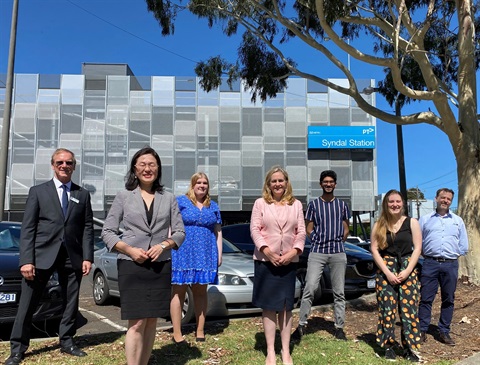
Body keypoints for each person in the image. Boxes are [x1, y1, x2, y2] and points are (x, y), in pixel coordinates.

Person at [5, 148, 94, 365]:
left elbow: (87, 227)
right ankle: (17, 349)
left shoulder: (81, 194)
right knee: (27, 304)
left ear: (74, 166)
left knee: (70, 302)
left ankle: (67, 341)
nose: (65, 166)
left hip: (71, 256)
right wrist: (26, 260)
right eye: (60, 162)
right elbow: (28, 228)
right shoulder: (38, 191)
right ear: (53, 165)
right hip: (40, 256)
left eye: (69, 163)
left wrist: (87, 256)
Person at [101, 147, 185, 365]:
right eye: (143, 164)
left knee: (151, 321)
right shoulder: (123, 197)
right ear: (135, 169)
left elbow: (180, 232)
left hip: (160, 265)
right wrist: (129, 249)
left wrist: (164, 245)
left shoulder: (168, 198)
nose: (147, 168)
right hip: (132, 266)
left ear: (158, 168)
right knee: (137, 322)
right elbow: (107, 232)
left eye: (152, 164)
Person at [250, 166, 305, 365]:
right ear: (268, 184)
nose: (277, 184)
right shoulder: (260, 203)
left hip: (289, 261)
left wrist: (293, 252)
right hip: (266, 260)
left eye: (281, 180)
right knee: (268, 306)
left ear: (286, 182)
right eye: (273, 181)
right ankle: (271, 351)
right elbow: (255, 229)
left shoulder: (296, 205)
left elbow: (301, 233)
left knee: (285, 307)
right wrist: (267, 251)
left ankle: (286, 351)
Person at [292, 170, 350, 341]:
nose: (328, 184)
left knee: (339, 292)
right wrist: (318, 238)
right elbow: (308, 228)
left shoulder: (342, 205)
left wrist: (340, 239)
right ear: (320, 184)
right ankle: (302, 325)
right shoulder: (313, 205)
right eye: (325, 181)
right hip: (318, 251)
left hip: (338, 252)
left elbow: (346, 228)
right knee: (309, 288)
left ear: (335, 184)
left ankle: (339, 327)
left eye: (331, 181)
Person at [370, 190, 422, 362]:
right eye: (391, 201)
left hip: (407, 268)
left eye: (398, 201)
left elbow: (417, 249)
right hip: (386, 269)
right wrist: (387, 272)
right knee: (387, 310)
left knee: (409, 311)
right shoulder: (379, 224)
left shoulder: (412, 222)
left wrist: (407, 271)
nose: (395, 204)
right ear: (386, 204)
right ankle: (388, 346)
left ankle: (409, 347)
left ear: (403, 203)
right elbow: (374, 250)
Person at [170, 172, 223, 343]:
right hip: (182, 251)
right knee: (179, 291)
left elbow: (218, 232)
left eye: (205, 182)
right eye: (198, 182)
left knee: (201, 292)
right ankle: (177, 333)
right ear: (192, 185)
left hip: (206, 253)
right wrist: (168, 246)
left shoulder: (213, 206)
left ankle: (200, 330)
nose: (202, 185)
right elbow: (171, 226)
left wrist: (219, 254)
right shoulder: (181, 201)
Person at [418, 188, 468, 347]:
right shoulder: (425, 220)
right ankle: (422, 329)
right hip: (430, 263)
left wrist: (452, 255)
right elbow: (418, 241)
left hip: (450, 264)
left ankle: (444, 331)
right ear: (436, 198)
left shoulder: (457, 220)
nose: (445, 201)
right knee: (426, 298)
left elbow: (463, 245)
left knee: (448, 299)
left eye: (448, 199)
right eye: (443, 198)